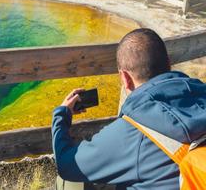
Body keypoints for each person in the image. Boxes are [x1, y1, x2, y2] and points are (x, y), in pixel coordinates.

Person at [52, 28, 206, 190]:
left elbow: (67, 166)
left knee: (70, 184)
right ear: (168, 63)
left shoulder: (131, 133)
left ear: (125, 78)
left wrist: (61, 115)